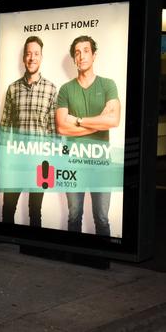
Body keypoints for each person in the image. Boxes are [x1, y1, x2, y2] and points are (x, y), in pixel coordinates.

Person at [55, 35, 120, 236]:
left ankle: (102, 260)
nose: (81, 56)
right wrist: (98, 122)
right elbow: (61, 128)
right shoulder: (66, 89)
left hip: (101, 163)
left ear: (94, 55)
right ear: (74, 58)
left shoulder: (108, 85)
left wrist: (78, 120)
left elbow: (114, 120)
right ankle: (73, 258)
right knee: (74, 215)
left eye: (85, 51)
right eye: (77, 52)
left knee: (101, 217)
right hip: (73, 163)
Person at [0, 36, 57, 227]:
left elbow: (54, 132)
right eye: (28, 54)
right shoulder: (13, 89)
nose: (32, 58)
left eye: (36, 54)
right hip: (15, 160)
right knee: (8, 208)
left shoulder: (51, 89)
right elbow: (5, 127)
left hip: (41, 162)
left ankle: (34, 247)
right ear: (24, 58)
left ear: (41, 57)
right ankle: (6, 247)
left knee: (35, 210)